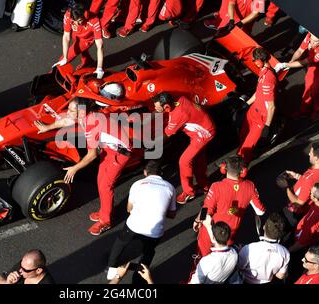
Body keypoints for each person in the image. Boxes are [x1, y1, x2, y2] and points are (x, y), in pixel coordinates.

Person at [63, 89, 135, 236]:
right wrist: (47, 127)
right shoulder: (88, 115)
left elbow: (92, 154)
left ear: (81, 111)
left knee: (105, 186)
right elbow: (65, 120)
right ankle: (104, 211)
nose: (68, 112)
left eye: (71, 110)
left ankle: (105, 221)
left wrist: (74, 169)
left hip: (119, 153)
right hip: (109, 148)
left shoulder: (91, 123)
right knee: (100, 181)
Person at [106, 160, 176, 283]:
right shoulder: (170, 188)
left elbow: (129, 209)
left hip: (134, 226)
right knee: (148, 252)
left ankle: (112, 268)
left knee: (120, 242)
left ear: (145, 172)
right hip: (155, 233)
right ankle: (140, 278)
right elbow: (172, 214)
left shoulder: (137, 184)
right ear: (161, 173)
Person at [193, 156, 266, 258]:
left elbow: (206, 209)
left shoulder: (216, 186)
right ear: (243, 171)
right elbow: (260, 211)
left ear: (223, 169)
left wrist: (198, 220)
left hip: (210, 233)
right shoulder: (250, 186)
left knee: (201, 262)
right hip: (229, 235)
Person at [152, 92, 216, 204]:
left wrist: (149, 144)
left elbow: (167, 135)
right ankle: (204, 185)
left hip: (203, 134)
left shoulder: (178, 114)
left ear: (166, 106)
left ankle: (188, 193)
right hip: (204, 126)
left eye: (157, 107)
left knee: (184, 161)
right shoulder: (178, 97)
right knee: (198, 159)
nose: (155, 108)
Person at [275, 32, 319, 122]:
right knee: (308, 88)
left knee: (315, 90)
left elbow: (305, 62)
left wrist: (285, 65)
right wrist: (290, 62)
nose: (312, 43)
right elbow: (300, 50)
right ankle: (303, 111)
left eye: (315, 42)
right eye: (311, 41)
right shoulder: (310, 35)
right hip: (314, 62)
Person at [237, 47, 277, 164]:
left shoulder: (268, 78)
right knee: (242, 136)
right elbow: (258, 91)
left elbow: (271, 106)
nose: (253, 62)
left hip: (261, 118)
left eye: (254, 60)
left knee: (246, 148)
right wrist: (246, 104)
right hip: (253, 111)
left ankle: (239, 169)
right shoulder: (263, 71)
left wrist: (267, 126)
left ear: (260, 60)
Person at [277, 142, 319, 228]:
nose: (309, 153)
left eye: (311, 152)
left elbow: (298, 203)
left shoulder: (310, 179)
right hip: (305, 209)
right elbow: (309, 182)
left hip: (293, 212)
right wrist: (295, 175)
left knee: (279, 227)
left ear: (317, 159)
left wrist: (286, 187)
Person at [53, 3, 104, 78]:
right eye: (74, 21)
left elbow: (100, 46)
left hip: (86, 40)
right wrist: (65, 57)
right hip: (76, 35)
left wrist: (99, 68)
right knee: (66, 57)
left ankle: (56, 76)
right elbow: (66, 36)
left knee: (64, 60)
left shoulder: (94, 21)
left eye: (79, 20)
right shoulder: (68, 16)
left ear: (85, 15)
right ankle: (87, 61)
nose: (76, 23)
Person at [237, 213, 290, 284]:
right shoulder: (285, 252)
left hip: (245, 281)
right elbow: (280, 276)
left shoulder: (249, 248)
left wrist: (240, 251)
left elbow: (239, 267)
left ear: (264, 227)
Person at [289, 183, 319, 253]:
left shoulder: (313, 220)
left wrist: (288, 251)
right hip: (310, 239)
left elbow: (301, 243)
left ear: (315, 199)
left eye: (311, 193)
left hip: (298, 243)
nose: (309, 193)